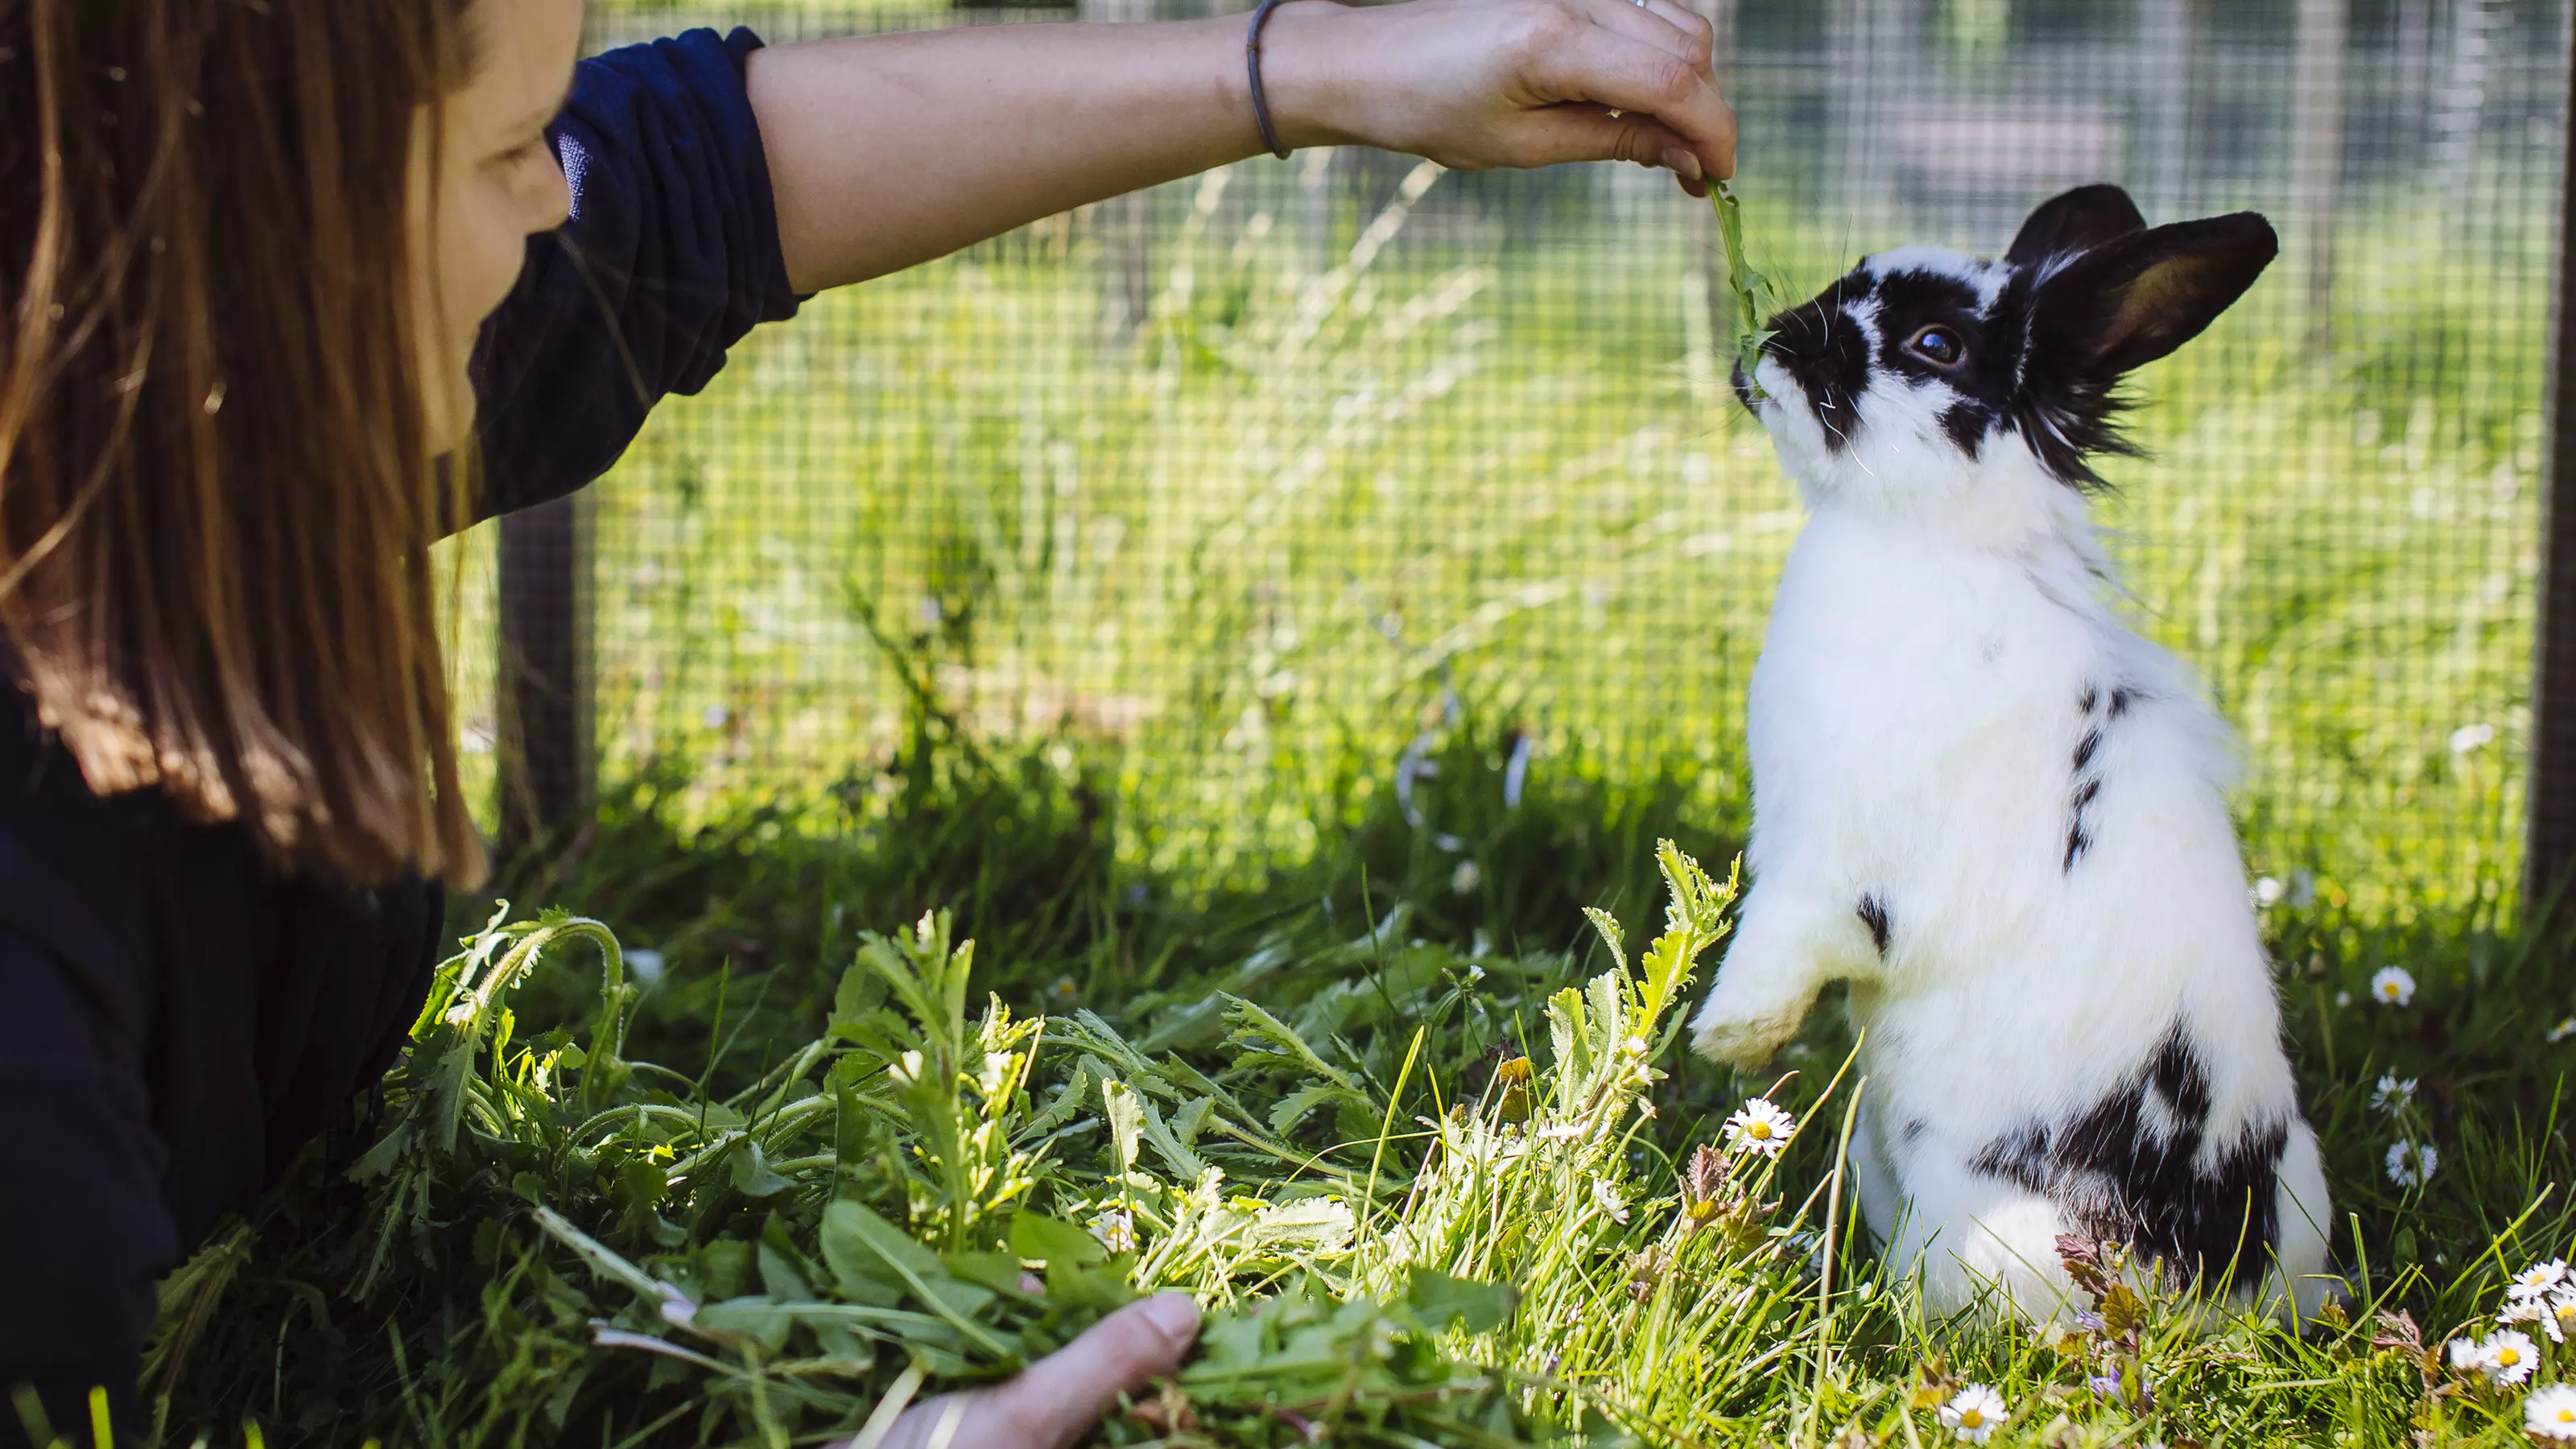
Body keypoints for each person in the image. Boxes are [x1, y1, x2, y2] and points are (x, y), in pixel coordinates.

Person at [0, 0, 1733, 1443]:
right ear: (238, 234)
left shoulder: (136, 412)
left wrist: (1327, 75)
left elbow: (702, 175)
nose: (558, 201)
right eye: (496, 150)